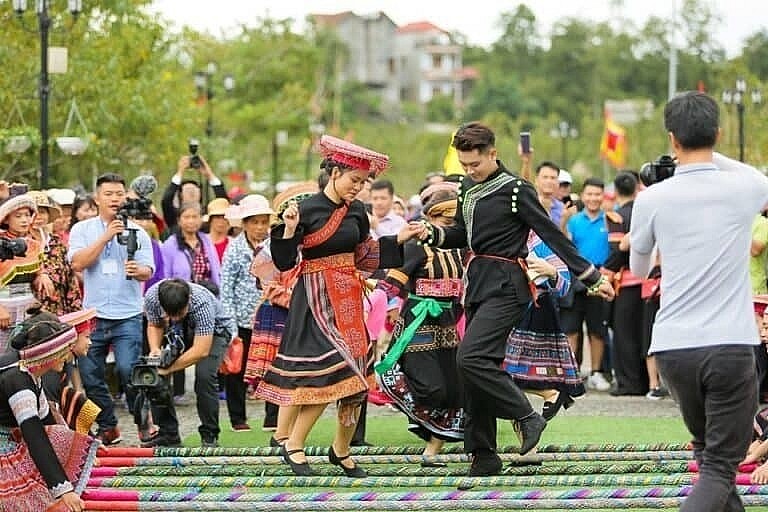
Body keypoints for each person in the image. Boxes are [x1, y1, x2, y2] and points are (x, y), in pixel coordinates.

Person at [417, 122, 613, 479]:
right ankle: (483, 455)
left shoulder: (515, 189)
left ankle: (526, 416)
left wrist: (591, 276)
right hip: (476, 284)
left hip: (507, 285)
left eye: (474, 164)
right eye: (464, 165)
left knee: (470, 357)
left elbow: (552, 234)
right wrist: (434, 232)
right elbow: (463, 234)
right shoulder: (466, 189)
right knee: (473, 369)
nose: (468, 170)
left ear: (493, 153)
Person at [629, 91, 768, 512]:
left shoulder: (651, 197)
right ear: (719, 134)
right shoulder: (745, 188)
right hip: (728, 344)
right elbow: (757, 176)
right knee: (719, 468)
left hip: (673, 347)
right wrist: (712, 156)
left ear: (672, 139)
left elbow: (637, 270)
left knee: (711, 457)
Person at [255, 135, 423, 477]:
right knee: (331, 371)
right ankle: (293, 445)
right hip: (315, 300)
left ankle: (341, 450)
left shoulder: (358, 212)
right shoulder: (304, 210)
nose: (358, 189)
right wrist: (288, 230)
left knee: (359, 375)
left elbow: (365, 256)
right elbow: (286, 263)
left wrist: (399, 240)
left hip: (348, 297)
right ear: (334, 173)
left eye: (362, 183)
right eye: (353, 181)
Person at [376, 183, 466, 460]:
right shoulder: (417, 246)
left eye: (452, 222)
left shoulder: (459, 247)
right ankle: (421, 420)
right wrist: (375, 297)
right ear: (430, 218)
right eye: (443, 220)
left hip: (448, 323)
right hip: (419, 323)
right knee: (430, 386)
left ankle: (432, 449)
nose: (447, 227)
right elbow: (393, 281)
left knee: (455, 389)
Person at [67, 173, 155, 446]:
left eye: (119, 193)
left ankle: (144, 422)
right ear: (97, 198)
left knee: (129, 372)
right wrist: (106, 237)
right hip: (92, 316)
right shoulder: (82, 230)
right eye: (109, 194)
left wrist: (138, 271)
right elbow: (78, 263)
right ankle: (108, 425)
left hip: (127, 313)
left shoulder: (138, 231)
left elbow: (148, 270)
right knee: (91, 376)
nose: (115, 199)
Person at [0, 306, 98, 512]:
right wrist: (63, 489)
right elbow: (36, 436)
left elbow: (49, 425)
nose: (67, 357)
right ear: (49, 354)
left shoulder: (31, 373)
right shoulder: (18, 379)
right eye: (64, 352)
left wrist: (86, 445)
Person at [245, 182, 316, 440]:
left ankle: (288, 433)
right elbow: (269, 286)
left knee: (302, 373)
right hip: (279, 313)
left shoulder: (315, 245)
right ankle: (277, 429)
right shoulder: (271, 247)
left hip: (307, 313)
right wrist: (296, 299)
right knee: (280, 370)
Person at [143, 278, 237, 447]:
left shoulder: (201, 301)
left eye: (180, 313)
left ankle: (209, 434)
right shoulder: (151, 297)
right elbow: (154, 324)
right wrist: (155, 350)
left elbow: (201, 350)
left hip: (216, 332)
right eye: (172, 314)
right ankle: (168, 433)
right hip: (178, 332)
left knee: (204, 376)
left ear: (188, 301)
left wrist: (168, 369)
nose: (177, 317)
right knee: (154, 376)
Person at [504, 230, 585, 420]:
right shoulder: (498, 236)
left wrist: (550, 271)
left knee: (504, 372)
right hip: (504, 306)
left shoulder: (540, 240)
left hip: (533, 310)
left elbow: (564, 285)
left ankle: (548, 396)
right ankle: (548, 397)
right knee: (497, 371)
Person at [220, 194, 274, 432]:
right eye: (255, 222)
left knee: (273, 367)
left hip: (270, 315)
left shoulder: (274, 245)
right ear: (244, 224)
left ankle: (272, 417)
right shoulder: (234, 249)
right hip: (241, 318)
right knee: (237, 370)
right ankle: (237, 419)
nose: (260, 227)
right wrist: (230, 325)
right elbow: (226, 287)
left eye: (264, 222)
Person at [603, 172, 647, 396]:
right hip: (647, 281)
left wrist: (604, 272)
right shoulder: (643, 213)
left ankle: (629, 383)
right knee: (642, 332)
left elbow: (617, 250)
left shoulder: (616, 216)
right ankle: (646, 381)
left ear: (617, 191)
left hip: (625, 281)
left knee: (624, 334)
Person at [0, 193, 48, 352]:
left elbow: (36, 274)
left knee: (26, 356)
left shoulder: (33, 245)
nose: (24, 220)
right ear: (6, 218)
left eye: (27, 215)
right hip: (3, 308)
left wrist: (41, 276)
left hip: (27, 308)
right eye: (18, 216)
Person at [27, 191, 83, 316]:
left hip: (59, 313)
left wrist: (76, 314)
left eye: (42, 212)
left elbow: (70, 280)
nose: (37, 216)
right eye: (31, 213)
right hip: (29, 314)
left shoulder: (56, 242)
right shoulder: (20, 244)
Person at [161, 155, 229, 232]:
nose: (192, 192)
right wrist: (180, 172)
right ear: (181, 195)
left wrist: (210, 175)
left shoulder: (207, 215)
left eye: (194, 189)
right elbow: (166, 200)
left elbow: (223, 202)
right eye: (188, 190)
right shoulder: (175, 216)